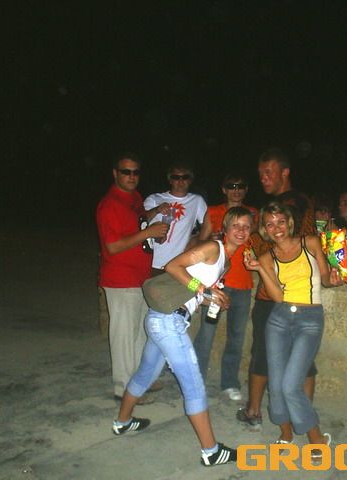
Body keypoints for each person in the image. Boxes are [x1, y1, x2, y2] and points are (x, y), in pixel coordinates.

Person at [113, 207, 255, 467]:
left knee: (146, 374)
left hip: (163, 319)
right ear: (225, 227)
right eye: (236, 225)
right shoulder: (212, 248)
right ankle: (211, 451)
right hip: (168, 322)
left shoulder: (227, 262)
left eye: (246, 226)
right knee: (194, 386)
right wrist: (204, 290)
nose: (241, 230)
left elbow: (193, 291)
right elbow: (172, 266)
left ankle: (122, 422)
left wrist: (210, 299)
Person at [244, 201, 343, 458]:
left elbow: (325, 279)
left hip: (310, 319)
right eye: (269, 224)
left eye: (280, 222)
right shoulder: (266, 257)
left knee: (290, 385)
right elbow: (277, 297)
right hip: (279, 319)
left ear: (289, 223)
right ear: (264, 229)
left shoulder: (310, 243)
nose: (276, 228)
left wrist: (333, 280)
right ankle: (286, 433)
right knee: (276, 385)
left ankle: (316, 439)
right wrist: (260, 269)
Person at [237, 147, 317, 428]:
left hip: (275, 294)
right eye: (260, 174)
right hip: (301, 295)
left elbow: (275, 244)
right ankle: (301, 417)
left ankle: (254, 412)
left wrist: (251, 236)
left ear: (285, 172)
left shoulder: (287, 206)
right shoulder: (301, 203)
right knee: (302, 359)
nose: (263, 178)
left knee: (263, 354)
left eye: (269, 172)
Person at [96, 153, 170, 404]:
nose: (131, 176)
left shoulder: (135, 198)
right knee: (124, 336)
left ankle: (140, 381)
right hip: (120, 278)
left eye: (135, 172)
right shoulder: (110, 204)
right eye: (126, 172)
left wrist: (154, 214)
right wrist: (148, 233)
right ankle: (124, 388)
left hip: (140, 277)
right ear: (115, 173)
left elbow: (137, 221)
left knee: (139, 332)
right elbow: (113, 246)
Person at [194, 174, 258, 401]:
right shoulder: (213, 212)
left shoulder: (253, 214)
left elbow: (263, 241)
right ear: (224, 189)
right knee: (206, 334)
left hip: (243, 284)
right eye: (231, 186)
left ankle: (229, 382)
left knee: (237, 337)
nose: (236, 190)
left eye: (240, 186)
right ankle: (196, 381)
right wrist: (212, 240)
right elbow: (199, 244)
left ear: (246, 189)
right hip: (216, 283)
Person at [144, 163, 208, 275]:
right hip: (150, 261)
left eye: (185, 177)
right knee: (148, 287)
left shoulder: (197, 201)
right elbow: (140, 222)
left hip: (178, 265)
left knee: (191, 284)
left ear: (190, 180)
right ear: (170, 180)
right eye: (176, 177)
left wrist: (195, 239)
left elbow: (208, 226)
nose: (180, 181)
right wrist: (156, 210)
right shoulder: (154, 198)